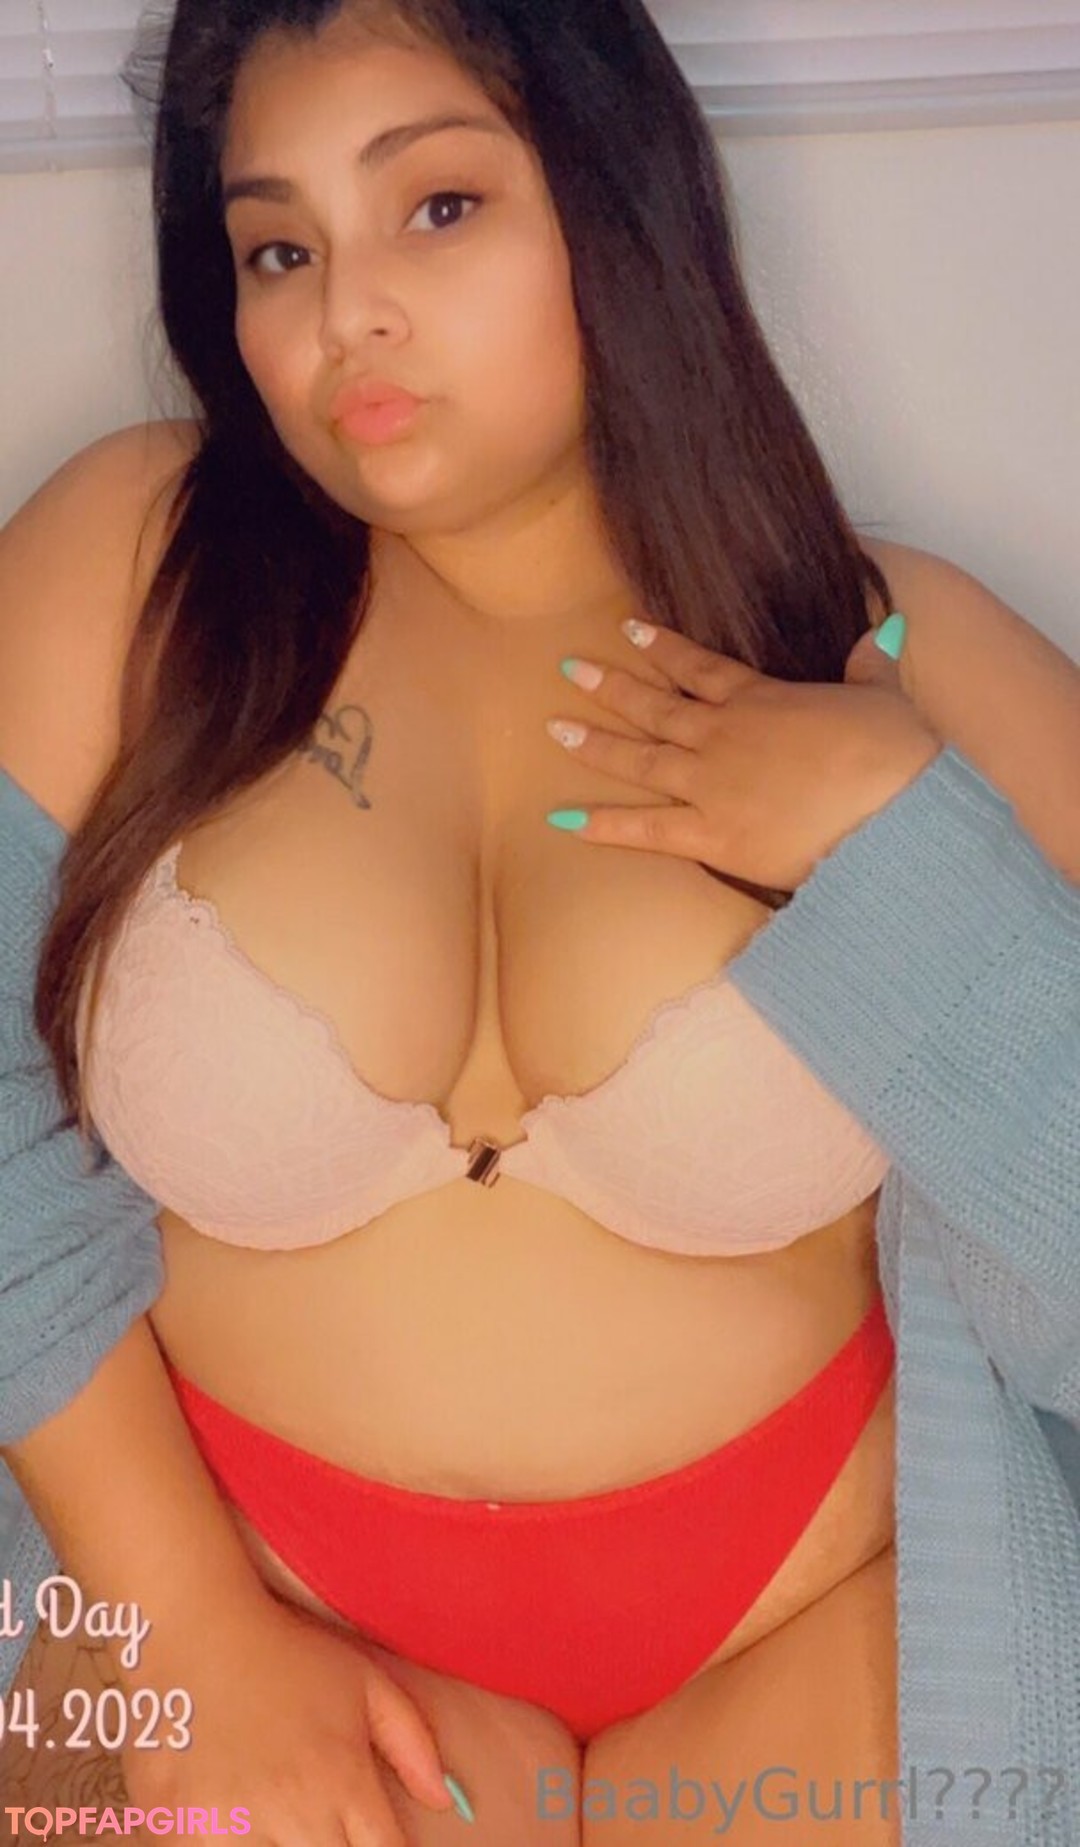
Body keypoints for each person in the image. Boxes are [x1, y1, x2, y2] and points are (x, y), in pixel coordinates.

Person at [0, 2, 1077, 1843]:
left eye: (436, 208)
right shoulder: (134, 558)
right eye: (279, 250)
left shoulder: (898, 652)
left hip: (818, 1635)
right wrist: (176, 1619)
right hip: (237, 1596)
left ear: (613, 200)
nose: (347, 315)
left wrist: (905, 845)